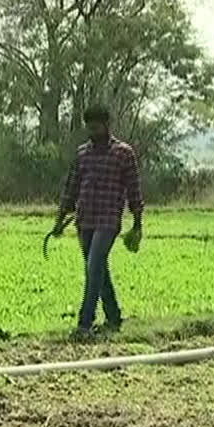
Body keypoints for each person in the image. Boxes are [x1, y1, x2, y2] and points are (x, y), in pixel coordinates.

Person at [52, 104, 144, 339]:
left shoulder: (124, 153)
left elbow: (134, 190)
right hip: (85, 219)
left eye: (96, 127)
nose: (93, 131)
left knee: (93, 267)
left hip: (109, 219)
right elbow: (71, 187)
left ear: (106, 125)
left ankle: (85, 322)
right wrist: (60, 218)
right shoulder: (82, 153)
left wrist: (137, 222)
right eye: (89, 127)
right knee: (98, 270)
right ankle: (113, 316)